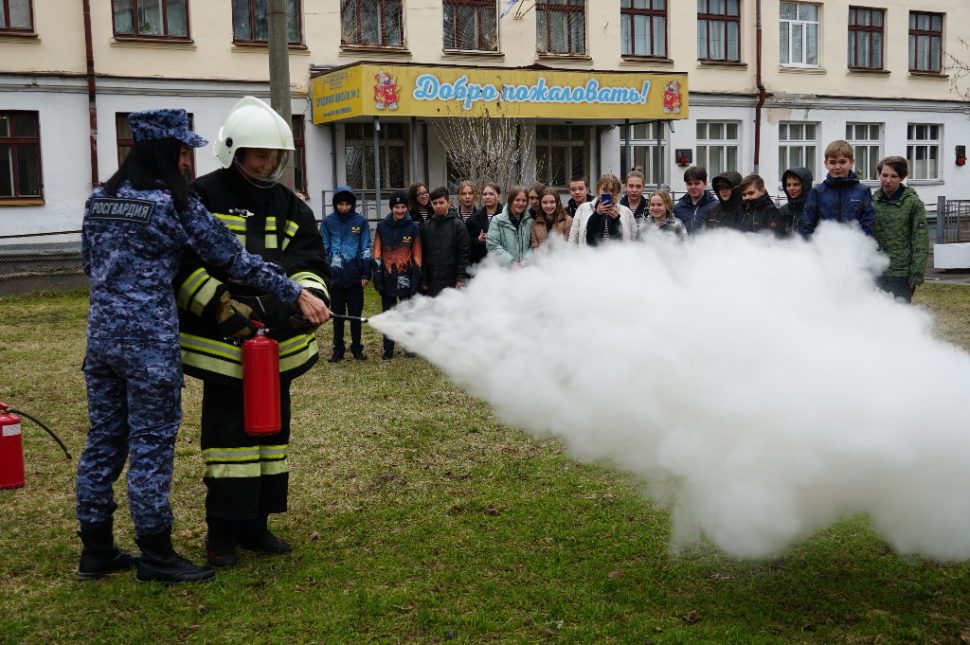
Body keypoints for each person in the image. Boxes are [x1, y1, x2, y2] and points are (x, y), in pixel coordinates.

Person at [77, 108, 329, 584]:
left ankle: (96, 547)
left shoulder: (100, 200)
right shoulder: (175, 203)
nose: (187, 161)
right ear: (165, 152)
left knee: (103, 442)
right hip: (149, 344)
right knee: (151, 447)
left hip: (102, 340)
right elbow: (232, 260)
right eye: (181, 152)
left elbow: (91, 263)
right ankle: (156, 555)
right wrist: (292, 293)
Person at [175, 96, 332, 570]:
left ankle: (257, 523)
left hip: (277, 346)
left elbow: (308, 262)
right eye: (258, 155)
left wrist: (309, 301)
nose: (267, 165)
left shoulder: (291, 207)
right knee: (228, 442)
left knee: (272, 438)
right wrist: (218, 305)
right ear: (233, 151)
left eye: (274, 157)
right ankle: (221, 531)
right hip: (222, 348)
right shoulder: (201, 198)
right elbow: (181, 263)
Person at [321, 185, 371, 362]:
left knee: (355, 315)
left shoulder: (361, 222)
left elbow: (365, 248)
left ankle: (357, 348)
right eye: (340, 204)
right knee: (337, 315)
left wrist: (365, 273)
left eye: (347, 204)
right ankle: (338, 349)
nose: (344, 207)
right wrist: (325, 274)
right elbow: (323, 248)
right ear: (336, 204)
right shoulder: (328, 222)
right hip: (335, 278)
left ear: (352, 204)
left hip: (355, 277)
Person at [872, 156, 929, 302]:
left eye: (893, 176)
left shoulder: (913, 204)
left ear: (902, 177)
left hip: (901, 274)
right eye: (884, 175)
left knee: (900, 318)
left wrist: (916, 274)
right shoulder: (872, 201)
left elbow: (920, 240)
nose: (888, 180)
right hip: (876, 270)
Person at [373, 191, 423, 357]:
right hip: (387, 277)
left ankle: (409, 347)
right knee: (389, 313)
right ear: (391, 208)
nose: (400, 210)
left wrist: (415, 281)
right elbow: (377, 253)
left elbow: (417, 256)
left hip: (406, 278)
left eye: (403, 207)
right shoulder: (381, 227)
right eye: (396, 207)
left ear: (407, 208)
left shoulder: (413, 227)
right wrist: (378, 277)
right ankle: (388, 349)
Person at [800, 139, 875, 237]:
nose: (837, 167)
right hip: (823, 248)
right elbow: (807, 227)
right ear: (826, 163)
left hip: (856, 248)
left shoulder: (863, 192)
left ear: (851, 162)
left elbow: (867, 226)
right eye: (832, 162)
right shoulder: (817, 191)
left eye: (843, 162)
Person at [422, 186, 471, 295]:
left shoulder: (458, 225)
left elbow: (464, 254)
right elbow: (424, 254)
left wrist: (461, 278)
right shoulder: (426, 226)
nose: (438, 206)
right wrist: (424, 278)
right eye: (435, 203)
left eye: (441, 202)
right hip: (432, 280)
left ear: (448, 203)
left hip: (452, 279)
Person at [567, 174, 635, 246]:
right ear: (598, 190)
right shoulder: (583, 208)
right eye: (604, 190)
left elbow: (633, 239)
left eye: (612, 190)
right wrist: (597, 214)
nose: (608, 193)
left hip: (616, 255)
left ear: (616, 192)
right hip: (590, 255)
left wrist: (616, 220)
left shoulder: (626, 212)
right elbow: (573, 238)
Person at [486, 185, 533, 266]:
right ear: (510, 201)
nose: (521, 203)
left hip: (525, 271)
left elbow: (535, 246)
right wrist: (511, 262)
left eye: (524, 200)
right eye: (517, 200)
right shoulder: (497, 220)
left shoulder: (530, 222)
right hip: (503, 272)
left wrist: (527, 260)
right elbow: (492, 247)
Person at [672, 166, 717, 235]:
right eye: (689, 184)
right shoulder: (678, 208)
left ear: (705, 184)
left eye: (697, 183)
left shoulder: (716, 207)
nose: (693, 187)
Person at [467, 182, 501, 265]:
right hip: (479, 265)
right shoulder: (473, 219)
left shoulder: (506, 217)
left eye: (491, 194)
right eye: (485, 194)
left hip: (501, 264)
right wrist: (478, 240)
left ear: (499, 196)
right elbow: (466, 242)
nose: (487, 197)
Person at [777, 167, 813, 237]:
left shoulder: (815, 211)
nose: (791, 188)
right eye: (788, 185)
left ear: (805, 185)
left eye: (796, 184)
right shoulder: (782, 212)